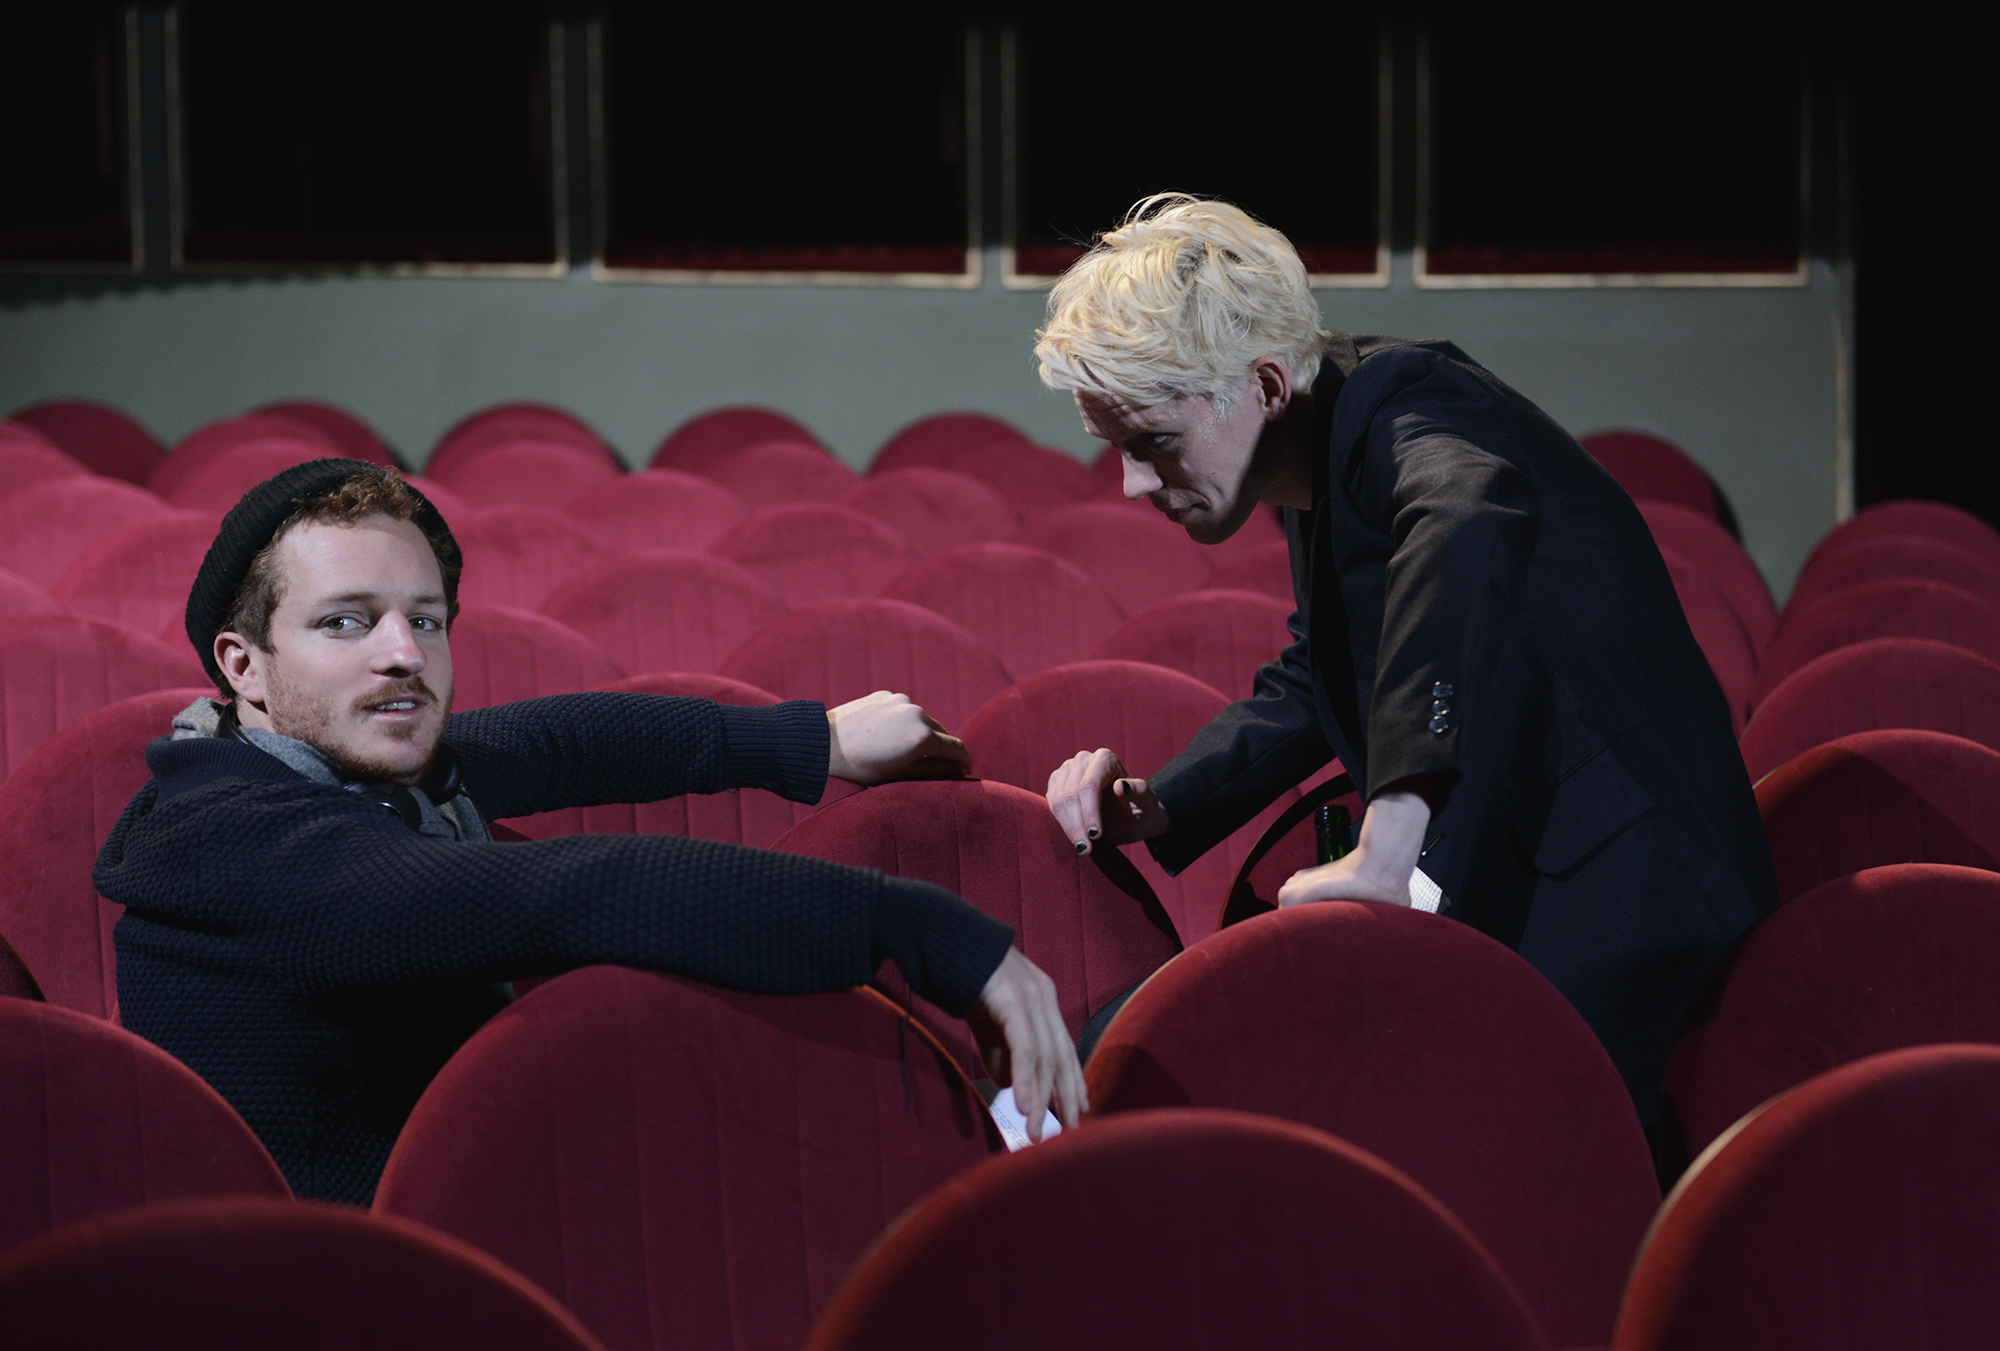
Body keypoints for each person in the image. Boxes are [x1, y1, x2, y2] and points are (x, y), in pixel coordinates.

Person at [95, 459, 1084, 1204]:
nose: (404, 654)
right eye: (346, 623)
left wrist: (811, 739)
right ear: (243, 664)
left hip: (478, 1220)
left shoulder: (321, 762)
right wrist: (928, 933)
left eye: (422, 618)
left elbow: (558, 740)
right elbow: (562, 893)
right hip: (351, 1301)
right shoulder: (238, 844)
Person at [1037, 195, 1777, 1130]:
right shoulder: (1312, 444)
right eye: (1116, 448)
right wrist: (1163, 800)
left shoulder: (1409, 404)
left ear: (1265, 385)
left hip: (1627, 897)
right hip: (1529, 867)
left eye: (1154, 442)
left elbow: (1463, 520)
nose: (1135, 483)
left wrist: (1389, 837)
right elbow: (1324, 670)